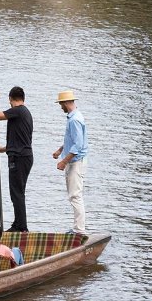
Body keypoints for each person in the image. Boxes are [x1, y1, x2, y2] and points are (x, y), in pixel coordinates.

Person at [0, 86, 33, 232]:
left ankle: (21, 227)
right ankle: (18, 223)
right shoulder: (25, 113)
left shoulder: (18, 110)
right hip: (23, 155)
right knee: (17, 192)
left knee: (17, 192)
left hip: (19, 158)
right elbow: (20, 139)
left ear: (10, 99)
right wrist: (4, 148)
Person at [52, 89, 88, 233]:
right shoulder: (74, 117)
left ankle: (79, 230)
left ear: (67, 103)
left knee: (75, 196)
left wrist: (64, 161)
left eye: (61, 104)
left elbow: (78, 146)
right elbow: (72, 140)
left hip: (76, 162)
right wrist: (61, 150)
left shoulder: (74, 120)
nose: (61, 107)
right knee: (74, 195)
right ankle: (77, 228)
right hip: (74, 160)